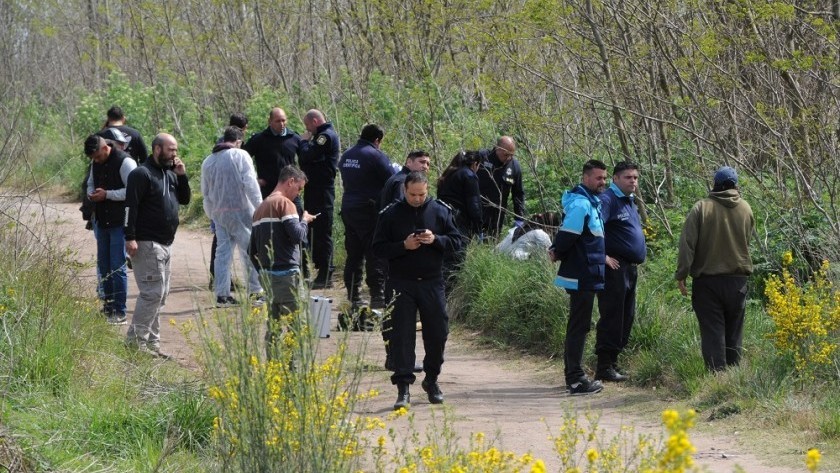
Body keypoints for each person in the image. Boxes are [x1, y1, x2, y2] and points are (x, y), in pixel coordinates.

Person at [372, 172, 466, 410]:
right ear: (404, 190)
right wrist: (403, 246)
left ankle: (431, 379)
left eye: (421, 194)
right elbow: (378, 249)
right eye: (412, 194)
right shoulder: (390, 214)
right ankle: (403, 387)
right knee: (401, 336)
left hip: (432, 282)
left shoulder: (440, 211)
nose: (417, 199)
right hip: (401, 282)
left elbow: (457, 243)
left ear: (427, 190)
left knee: (438, 332)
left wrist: (436, 240)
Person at [676, 166, 754, 371]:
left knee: (713, 332)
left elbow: (687, 245)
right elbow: (746, 241)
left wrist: (682, 274)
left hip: (707, 282)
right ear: (735, 185)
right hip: (737, 281)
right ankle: (734, 377)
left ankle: (716, 377)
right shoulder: (746, 208)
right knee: (734, 333)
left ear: (715, 184)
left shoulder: (701, 208)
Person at [123, 133, 190, 358]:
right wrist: (129, 237)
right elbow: (130, 207)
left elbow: (185, 199)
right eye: (171, 149)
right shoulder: (141, 174)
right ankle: (135, 343)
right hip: (146, 242)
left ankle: (152, 344)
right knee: (152, 293)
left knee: (160, 295)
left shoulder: (170, 173)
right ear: (157, 149)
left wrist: (182, 176)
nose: (174, 154)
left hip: (166, 243)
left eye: (175, 149)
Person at [549, 159, 608, 395]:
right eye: (598, 178)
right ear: (585, 178)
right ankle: (575, 379)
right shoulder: (582, 204)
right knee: (578, 326)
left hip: (589, 274)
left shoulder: (592, 202)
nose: (602, 182)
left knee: (580, 325)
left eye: (604, 178)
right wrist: (556, 251)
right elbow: (567, 236)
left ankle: (575, 376)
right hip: (582, 275)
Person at [249, 166, 317, 357]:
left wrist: (263, 273)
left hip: (267, 277)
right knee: (296, 326)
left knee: (274, 327)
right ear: (290, 182)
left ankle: (274, 366)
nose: (298, 193)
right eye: (299, 188)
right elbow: (298, 236)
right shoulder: (285, 204)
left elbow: (251, 251)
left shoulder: (260, 208)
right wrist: (304, 220)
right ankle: (292, 369)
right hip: (287, 276)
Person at [201, 126, 264, 307]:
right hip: (242, 211)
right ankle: (255, 292)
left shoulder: (208, 161)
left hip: (220, 214)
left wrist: (212, 215)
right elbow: (250, 184)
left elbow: (206, 192)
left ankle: (222, 295)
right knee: (250, 251)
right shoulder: (240, 155)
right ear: (238, 141)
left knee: (222, 254)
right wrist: (260, 208)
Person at [594, 162, 646, 382]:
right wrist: (603, 256)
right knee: (613, 316)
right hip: (614, 269)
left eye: (635, 177)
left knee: (626, 316)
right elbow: (592, 228)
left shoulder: (629, 200)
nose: (633, 181)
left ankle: (613, 362)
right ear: (615, 179)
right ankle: (604, 366)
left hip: (629, 269)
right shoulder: (608, 199)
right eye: (628, 177)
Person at [338, 124, 395, 309]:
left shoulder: (346, 155)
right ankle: (377, 296)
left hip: (348, 208)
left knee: (354, 254)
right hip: (368, 209)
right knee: (374, 252)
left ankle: (353, 296)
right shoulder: (375, 155)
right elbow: (392, 178)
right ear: (377, 140)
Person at [83, 134, 137, 325]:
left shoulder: (126, 162)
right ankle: (108, 307)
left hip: (120, 222)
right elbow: (90, 182)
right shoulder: (95, 162)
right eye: (93, 159)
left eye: (98, 157)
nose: (96, 161)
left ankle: (120, 311)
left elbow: (134, 191)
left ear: (105, 148)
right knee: (104, 266)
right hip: (102, 221)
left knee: (117, 267)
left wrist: (107, 195)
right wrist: (91, 193)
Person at [298, 109, 340, 288]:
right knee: (314, 231)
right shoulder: (320, 136)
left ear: (315, 121)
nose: (307, 129)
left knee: (322, 232)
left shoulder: (325, 136)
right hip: (315, 189)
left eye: (307, 125)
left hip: (322, 191)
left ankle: (326, 275)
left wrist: (303, 142)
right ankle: (320, 270)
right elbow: (305, 160)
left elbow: (307, 155)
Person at [210, 112, 250, 291]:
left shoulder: (219, 144)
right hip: (234, 204)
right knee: (241, 246)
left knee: (221, 245)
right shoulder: (234, 148)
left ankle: (219, 283)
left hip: (218, 203)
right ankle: (253, 289)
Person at [243, 108, 301, 199]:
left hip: (290, 189)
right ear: (269, 121)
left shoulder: (294, 138)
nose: (281, 124)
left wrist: (300, 181)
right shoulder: (259, 139)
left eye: (283, 120)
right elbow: (242, 159)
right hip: (268, 191)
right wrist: (254, 180)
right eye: (278, 121)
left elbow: (306, 159)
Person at [477, 136, 525, 237]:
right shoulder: (482, 157)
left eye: (512, 155)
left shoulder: (514, 166)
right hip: (476, 210)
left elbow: (518, 194)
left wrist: (519, 218)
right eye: (506, 154)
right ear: (497, 148)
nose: (509, 158)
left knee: (491, 243)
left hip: (496, 216)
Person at [437, 151, 484, 238]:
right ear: (475, 164)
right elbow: (474, 204)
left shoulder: (447, 174)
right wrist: (478, 228)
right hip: (460, 222)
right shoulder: (470, 176)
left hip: (442, 218)